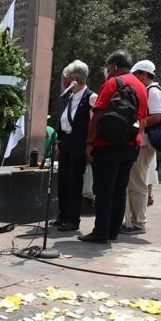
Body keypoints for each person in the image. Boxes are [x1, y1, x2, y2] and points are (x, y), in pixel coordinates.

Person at [79, 50, 149, 244]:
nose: (107, 70)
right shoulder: (141, 87)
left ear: (114, 66)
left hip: (107, 146)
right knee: (119, 189)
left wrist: (89, 143)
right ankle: (113, 231)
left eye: (108, 66)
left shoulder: (112, 83)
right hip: (130, 146)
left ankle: (100, 231)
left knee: (104, 190)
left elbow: (98, 115)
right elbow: (142, 120)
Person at [120, 60, 161, 235]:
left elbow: (156, 116)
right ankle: (132, 220)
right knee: (132, 181)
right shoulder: (147, 90)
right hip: (140, 142)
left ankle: (139, 222)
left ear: (143, 75)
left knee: (137, 182)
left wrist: (136, 124)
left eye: (136, 75)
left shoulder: (153, 91)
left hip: (144, 143)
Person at [54, 60, 97, 232]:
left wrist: (90, 145)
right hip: (66, 143)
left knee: (74, 181)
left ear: (75, 79)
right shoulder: (70, 97)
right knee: (63, 179)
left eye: (68, 78)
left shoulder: (90, 97)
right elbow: (64, 121)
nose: (65, 81)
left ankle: (73, 219)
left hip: (79, 143)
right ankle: (62, 214)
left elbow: (94, 123)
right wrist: (59, 141)